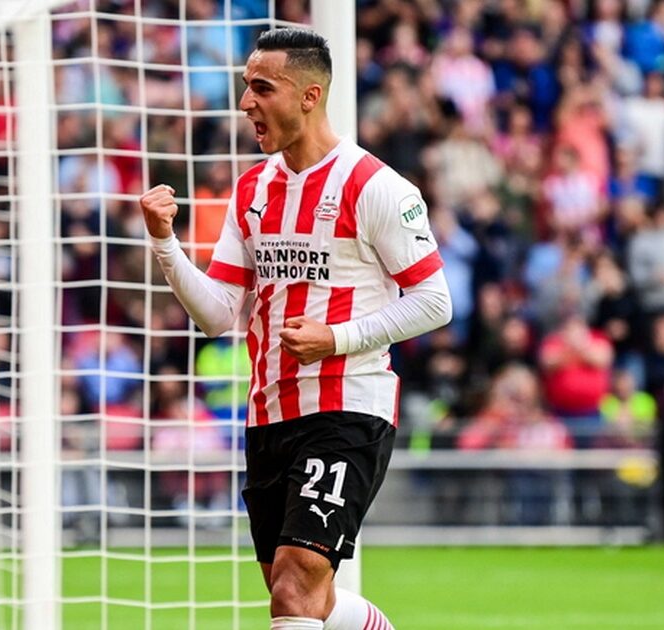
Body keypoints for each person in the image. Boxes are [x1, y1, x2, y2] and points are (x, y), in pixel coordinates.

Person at [140, 28, 451, 630]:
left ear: (310, 96)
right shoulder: (252, 188)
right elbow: (218, 314)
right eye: (245, 87)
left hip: (348, 407)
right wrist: (164, 242)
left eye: (262, 88)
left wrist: (336, 338)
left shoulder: (376, 187)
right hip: (269, 414)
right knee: (308, 598)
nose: (245, 103)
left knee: (293, 587)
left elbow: (434, 302)